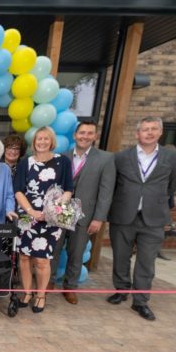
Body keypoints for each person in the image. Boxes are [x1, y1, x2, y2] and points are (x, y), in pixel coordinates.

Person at [107, 116, 176, 321]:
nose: (149, 133)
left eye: (153, 129)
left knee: (146, 262)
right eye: (145, 129)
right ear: (137, 134)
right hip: (123, 215)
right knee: (121, 257)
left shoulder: (172, 157)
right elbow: (114, 185)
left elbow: (173, 185)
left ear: (160, 132)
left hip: (153, 218)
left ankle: (140, 301)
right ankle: (121, 290)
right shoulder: (121, 157)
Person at [50, 120, 115, 304]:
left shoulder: (105, 159)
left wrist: (99, 218)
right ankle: (49, 283)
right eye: (82, 133)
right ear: (75, 135)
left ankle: (70, 287)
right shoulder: (61, 157)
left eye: (89, 133)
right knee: (53, 250)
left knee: (76, 252)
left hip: (85, 215)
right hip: (60, 212)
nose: (85, 136)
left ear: (94, 136)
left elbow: (106, 192)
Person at [13, 126, 74, 313]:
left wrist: (53, 209)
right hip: (27, 214)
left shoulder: (62, 162)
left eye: (46, 139)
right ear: (34, 142)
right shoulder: (26, 162)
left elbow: (68, 190)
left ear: (52, 141)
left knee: (42, 260)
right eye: (39, 138)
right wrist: (31, 211)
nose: (42, 142)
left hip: (51, 217)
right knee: (24, 257)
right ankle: (27, 292)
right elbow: (18, 191)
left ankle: (40, 295)